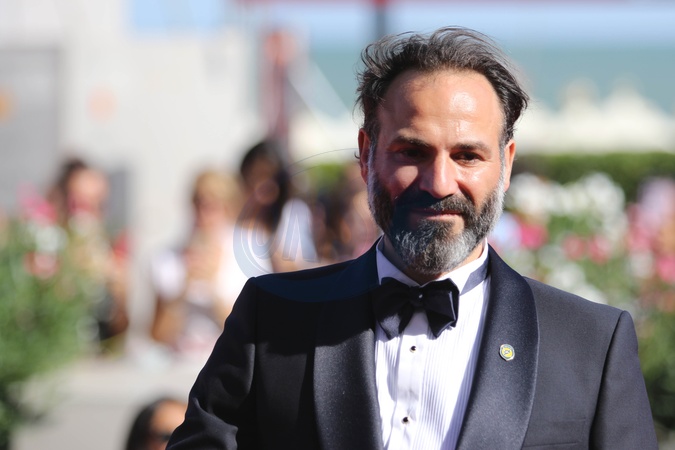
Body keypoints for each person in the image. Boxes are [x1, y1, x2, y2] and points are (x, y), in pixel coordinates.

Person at [167, 27, 657, 449]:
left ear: (506, 164)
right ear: (366, 154)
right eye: (412, 152)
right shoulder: (272, 319)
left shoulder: (591, 344)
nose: (439, 183)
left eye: (467, 156)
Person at [149, 169, 264, 362]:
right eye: (198, 203)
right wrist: (183, 290)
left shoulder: (251, 254)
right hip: (180, 365)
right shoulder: (167, 258)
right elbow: (157, 335)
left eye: (213, 206)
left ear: (229, 208)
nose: (203, 214)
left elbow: (251, 330)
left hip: (230, 364)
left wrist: (212, 287)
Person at [48, 157, 129, 352]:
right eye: (80, 203)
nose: (89, 212)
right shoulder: (48, 243)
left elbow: (118, 335)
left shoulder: (109, 247)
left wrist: (120, 296)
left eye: (98, 204)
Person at [237, 138, 318, 273]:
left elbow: (302, 266)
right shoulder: (234, 213)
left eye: (268, 177)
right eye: (255, 176)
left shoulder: (293, 213)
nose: (260, 185)